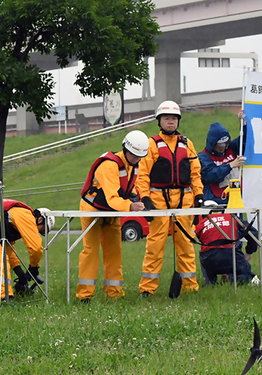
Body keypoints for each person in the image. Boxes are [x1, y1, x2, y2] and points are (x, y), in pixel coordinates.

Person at [137, 100, 205, 296]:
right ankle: (147, 289)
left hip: (184, 200)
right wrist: (145, 199)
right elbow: (142, 175)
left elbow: (195, 173)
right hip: (158, 201)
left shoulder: (187, 144)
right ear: (159, 121)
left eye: (174, 118)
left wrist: (199, 194)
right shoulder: (151, 145)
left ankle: (190, 287)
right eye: (167, 118)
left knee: (185, 244)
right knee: (155, 246)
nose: (171, 121)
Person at [76, 130, 148, 302]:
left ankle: (114, 294)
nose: (136, 159)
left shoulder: (133, 166)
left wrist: (142, 199)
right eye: (133, 155)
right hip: (92, 211)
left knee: (114, 252)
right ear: (125, 149)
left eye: (139, 157)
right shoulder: (109, 165)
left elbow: (131, 188)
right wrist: (131, 206)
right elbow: (112, 198)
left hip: (111, 213)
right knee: (91, 252)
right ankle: (85, 296)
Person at [194, 209, 259, 285]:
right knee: (246, 274)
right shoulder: (232, 217)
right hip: (231, 255)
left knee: (204, 253)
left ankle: (210, 282)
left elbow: (202, 240)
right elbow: (253, 233)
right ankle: (231, 278)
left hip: (209, 258)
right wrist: (249, 252)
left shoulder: (202, 223)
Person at [198, 115, 247, 205]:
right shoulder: (203, 157)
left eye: (225, 143)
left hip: (235, 197)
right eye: (219, 145)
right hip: (215, 200)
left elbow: (244, 141)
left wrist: (243, 125)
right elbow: (210, 175)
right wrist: (230, 166)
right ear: (212, 143)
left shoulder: (231, 148)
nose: (223, 147)